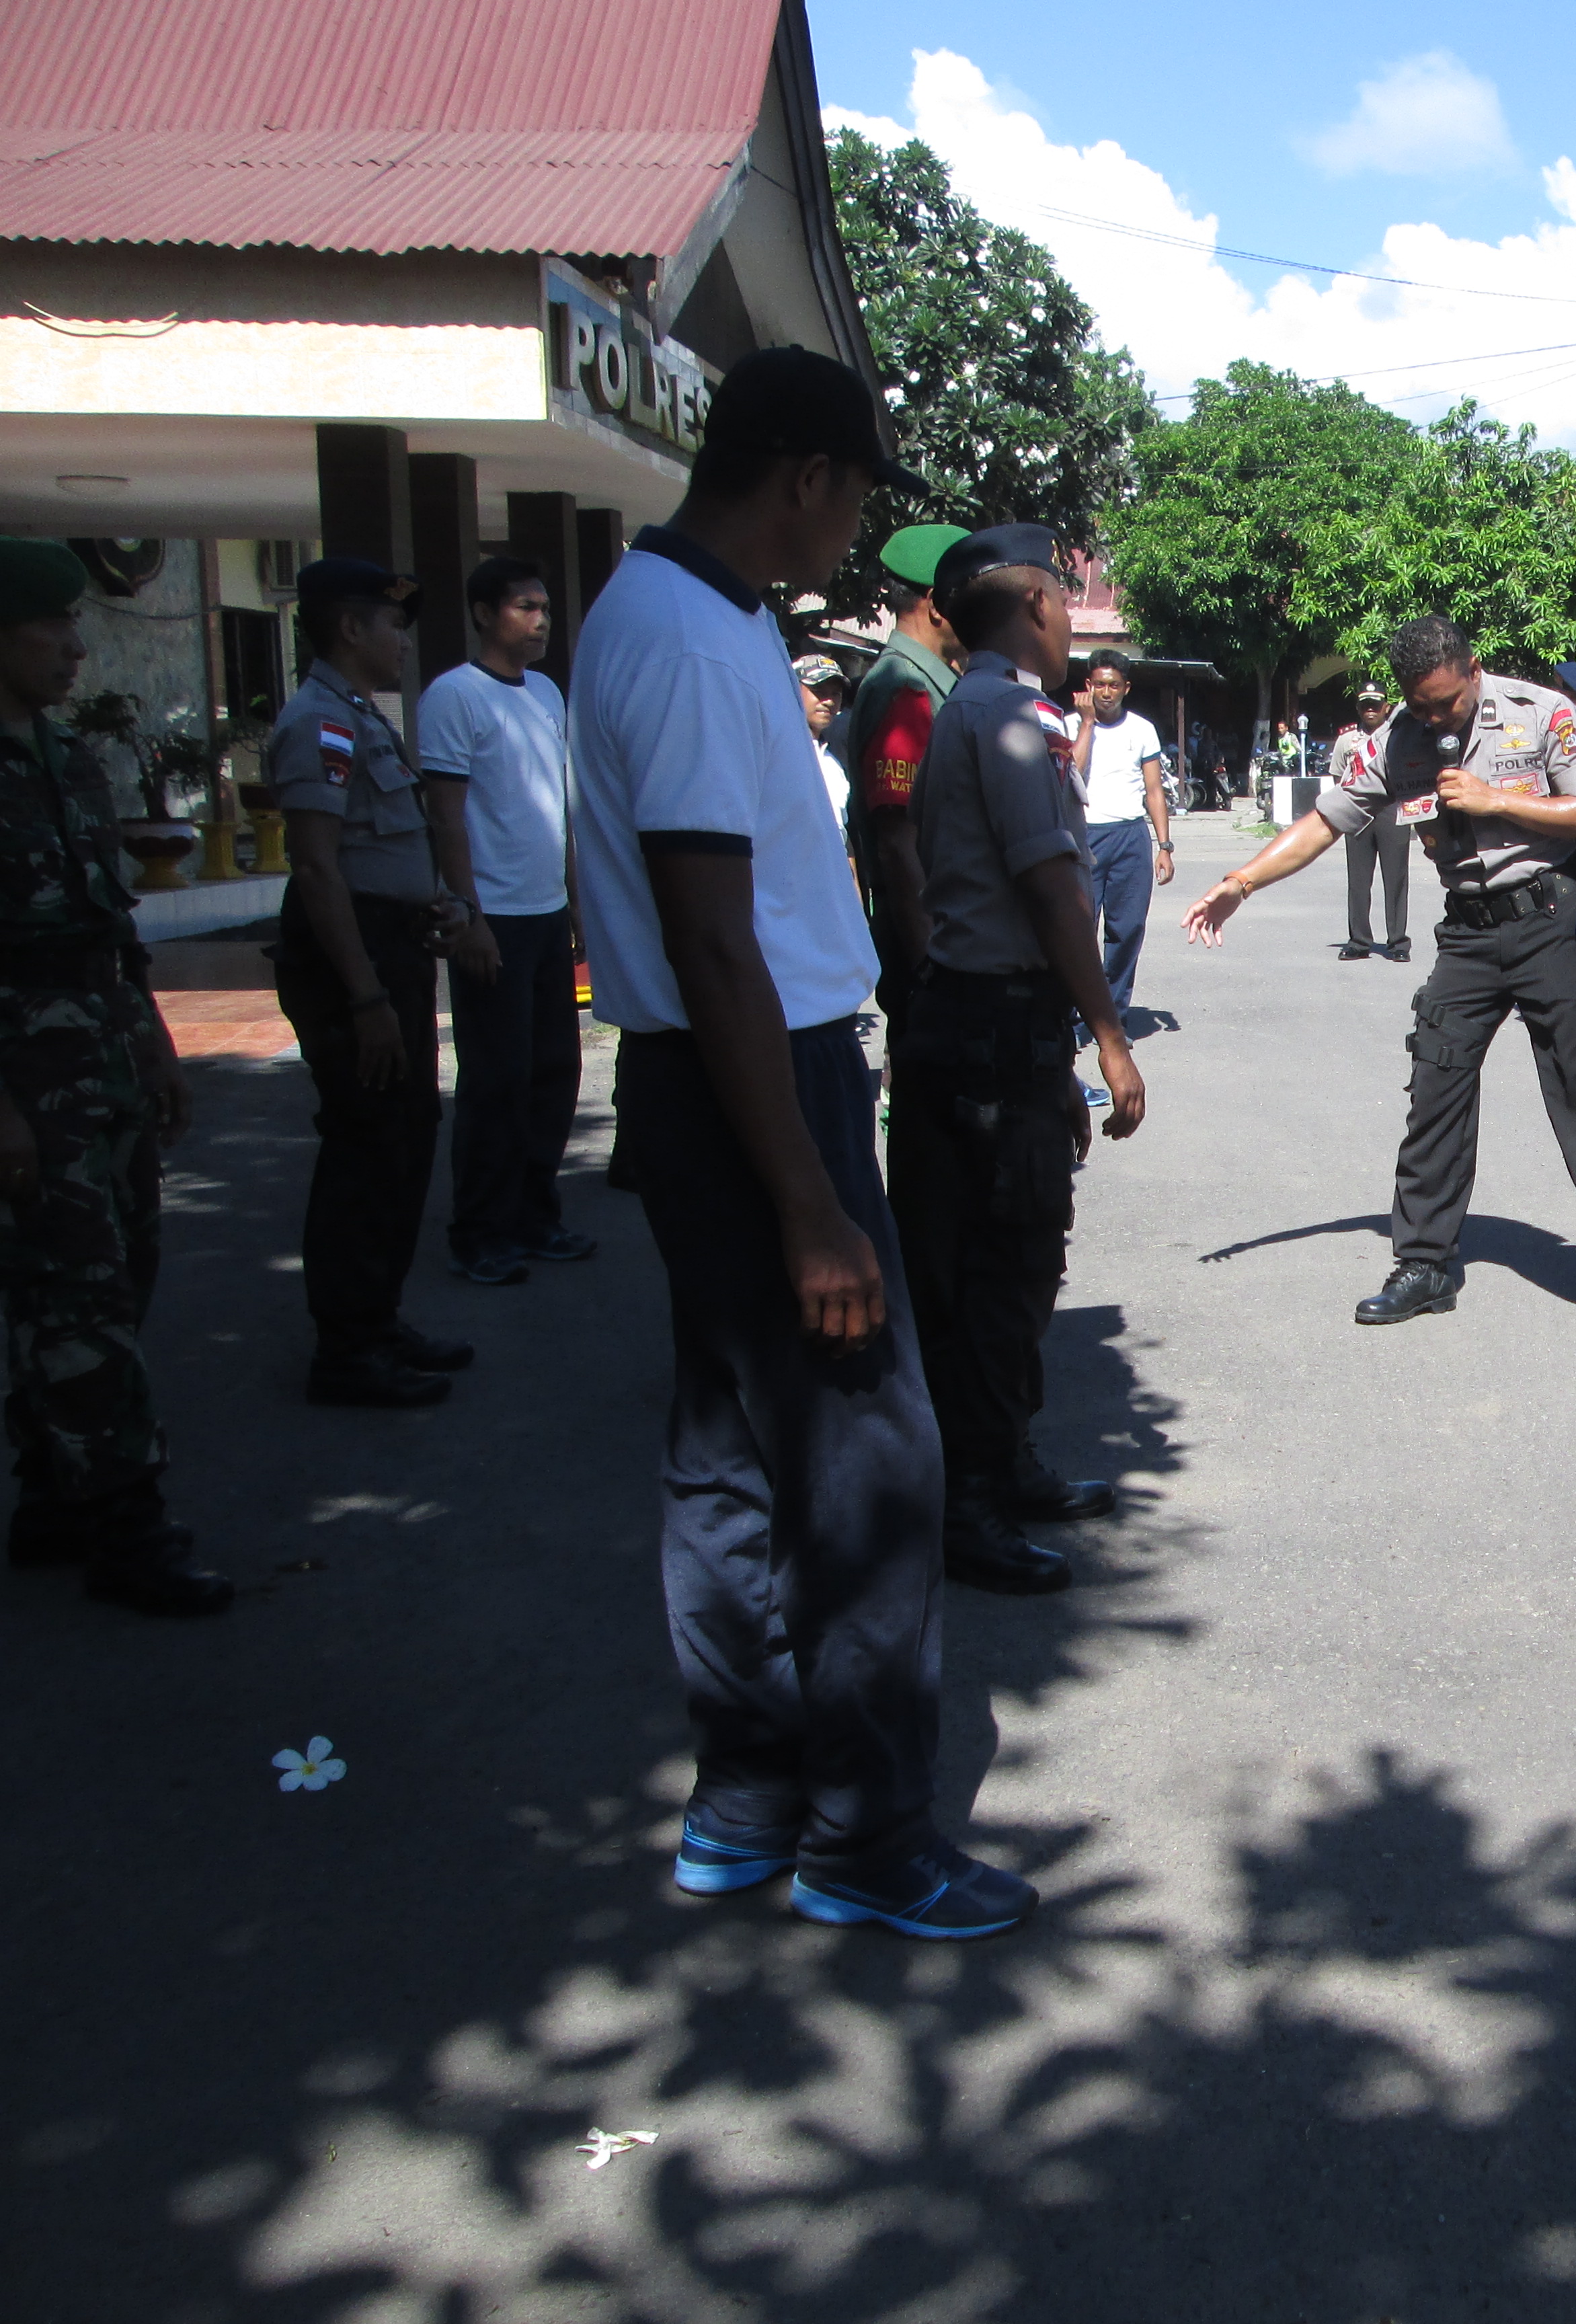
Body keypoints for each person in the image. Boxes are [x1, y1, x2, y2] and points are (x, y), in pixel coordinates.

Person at [572, 344, 1031, 1941]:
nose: (851, 539)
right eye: (852, 503)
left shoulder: (663, 611)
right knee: (868, 1463)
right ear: (809, 479)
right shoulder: (696, 637)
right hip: (759, 1082)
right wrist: (813, 1200)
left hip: (711, 1080)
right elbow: (713, 940)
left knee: (728, 1447)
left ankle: (749, 1796)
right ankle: (864, 1836)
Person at [1182, 613, 1576, 1335]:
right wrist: (1241, 882)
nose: (1435, 717)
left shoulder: (1542, 714)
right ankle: (1425, 1264)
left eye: (1446, 701)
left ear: (1473, 670)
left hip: (1549, 920)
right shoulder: (1394, 739)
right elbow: (1324, 822)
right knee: (1435, 1088)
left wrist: (1498, 798)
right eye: (1421, 705)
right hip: (1470, 934)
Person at [890, 525, 1148, 1596]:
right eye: (1059, 599)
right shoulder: (1011, 718)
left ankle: (1005, 1465)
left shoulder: (983, 706)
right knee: (1000, 1270)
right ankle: (973, 1502)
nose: (1068, 620)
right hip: (994, 1028)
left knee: (1011, 1260)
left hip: (989, 1024)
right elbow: (1051, 890)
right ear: (1037, 604)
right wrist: (1109, 1035)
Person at [0, 538, 229, 1615]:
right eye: (53, 627)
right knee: (78, 1297)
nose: (75, 649)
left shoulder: (65, 761)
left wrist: (153, 1042)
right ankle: (128, 1527)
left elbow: (113, 936)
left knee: (118, 1277)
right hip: (26, 1087)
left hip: (101, 1065)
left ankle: (53, 1486)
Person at [268, 557, 474, 1409]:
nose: (402, 642)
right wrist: (365, 998)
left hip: (390, 944)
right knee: (366, 1144)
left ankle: (379, 1321)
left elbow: (378, 851)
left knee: (404, 1136)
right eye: (391, 626)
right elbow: (318, 872)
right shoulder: (319, 723)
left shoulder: (361, 719)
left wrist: (430, 908)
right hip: (349, 959)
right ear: (350, 628)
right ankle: (347, 1349)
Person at [419, 555, 592, 1291]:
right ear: (486, 614)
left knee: (555, 1072)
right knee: (497, 1081)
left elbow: (558, 805)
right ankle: (479, 1231)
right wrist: (471, 915)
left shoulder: (547, 693)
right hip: (495, 921)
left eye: (546, 606)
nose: (541, 619)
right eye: (526, 606)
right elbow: (446, 816)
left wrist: (578, 900)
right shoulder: (453, 697)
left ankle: (532, 1213)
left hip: (548, 912)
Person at [848, 522, 968, 1021]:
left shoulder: (931, 683)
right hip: (932, 955)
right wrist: (929, 971)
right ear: (938, 604)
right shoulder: (907, 689)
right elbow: (899, 845)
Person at [1066, 652, 1173, 1018]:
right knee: (1079, 931)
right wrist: (1086, 724)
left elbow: (1154, 790)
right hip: (1083, 838)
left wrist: (1164, 846)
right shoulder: (1068, 726)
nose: (1106, 692)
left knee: (1127, 929)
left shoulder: (1142, 729)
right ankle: (1074, 1014)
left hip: (1130, 837)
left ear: (1126, 688)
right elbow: (1072, 775)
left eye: (1114, 685)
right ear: (1088, 687)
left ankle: (1113, 1016)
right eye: (1099, 685)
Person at [1333, 682, 1407, 961]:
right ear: (1358, 708)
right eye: (1365, 704)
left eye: (1376, 704)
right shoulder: (1346, 741)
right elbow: (1338, 778)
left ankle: (1398, 943)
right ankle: (1359, 941)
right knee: (1359, 881)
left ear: (1386, 707)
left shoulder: (1400, 738)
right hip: (1358, 812)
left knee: (1396, 878)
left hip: (1391, 809)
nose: (1371, 709)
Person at [794, 654, 853, 832]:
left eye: (836, 693)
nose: (829, 701)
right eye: (819, 691)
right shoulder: (778, 754)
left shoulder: (833, 765)